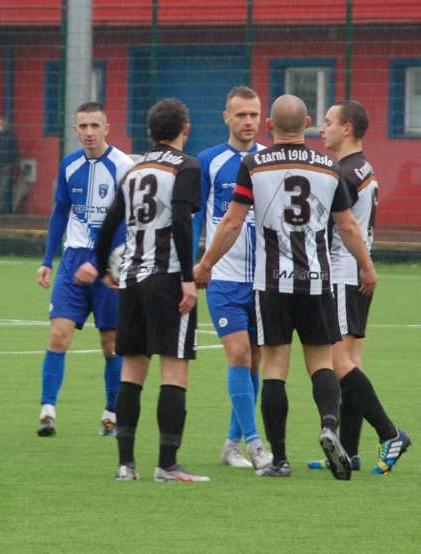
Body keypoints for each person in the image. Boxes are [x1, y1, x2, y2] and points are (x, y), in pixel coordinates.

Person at [194, 94, 378, 480]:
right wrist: (366, 266)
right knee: (322, 363)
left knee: (275, 366)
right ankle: (329, 424)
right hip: (317, 280)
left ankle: (278, 459)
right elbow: (347, 226)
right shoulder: (329, 166)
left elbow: (231, 222)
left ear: (269, 126)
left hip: (271, 283)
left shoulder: (253, 164)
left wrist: (206, 263)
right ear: (308, 122)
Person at [86, 98, 208, 482]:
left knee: (131, 373)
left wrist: (105, 264)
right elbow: (183, 223)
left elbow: (108, 224)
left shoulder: (134, 171)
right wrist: (188, 278)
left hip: (132, 281)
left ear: (151, 132)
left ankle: (125, 465)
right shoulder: (188, 166)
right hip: (168, 278)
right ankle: (167, 464)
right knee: (174, 372)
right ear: (184, 130)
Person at [306, 100, 411, 474]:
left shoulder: (343, 174)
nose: (322, 127)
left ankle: (390, 433)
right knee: (351, 362)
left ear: (347, 128)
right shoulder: (361, 167)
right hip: (358, 272)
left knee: (335, 363)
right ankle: (348, 451)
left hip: (342, 272)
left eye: (329, 122)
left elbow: (339, 226)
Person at [36, 101, 134, 438]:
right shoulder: (69, 165)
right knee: (58, 335)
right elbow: (60, 213)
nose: (89, 132)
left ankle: (111, 412)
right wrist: (48, 260)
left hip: (110, 265)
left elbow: (127, 220)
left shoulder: (124, 166)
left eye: (95, 126)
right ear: (75, 130)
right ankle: (47, 411)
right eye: (83, 126)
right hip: (73, 259)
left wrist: (102, 261)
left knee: (111, 343)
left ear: (107, 128)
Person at [193, 86, 272, 470]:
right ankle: (256, 443)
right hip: (223, 276)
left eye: (254, 115)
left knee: (255, 361)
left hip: (265, 279)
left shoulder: (270, 161)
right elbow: (196, 217)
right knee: (238, 353)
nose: (248, 122)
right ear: (226, 117)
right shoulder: (208, 161)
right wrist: (195, 262)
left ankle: (231, 443)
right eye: (241, 115)